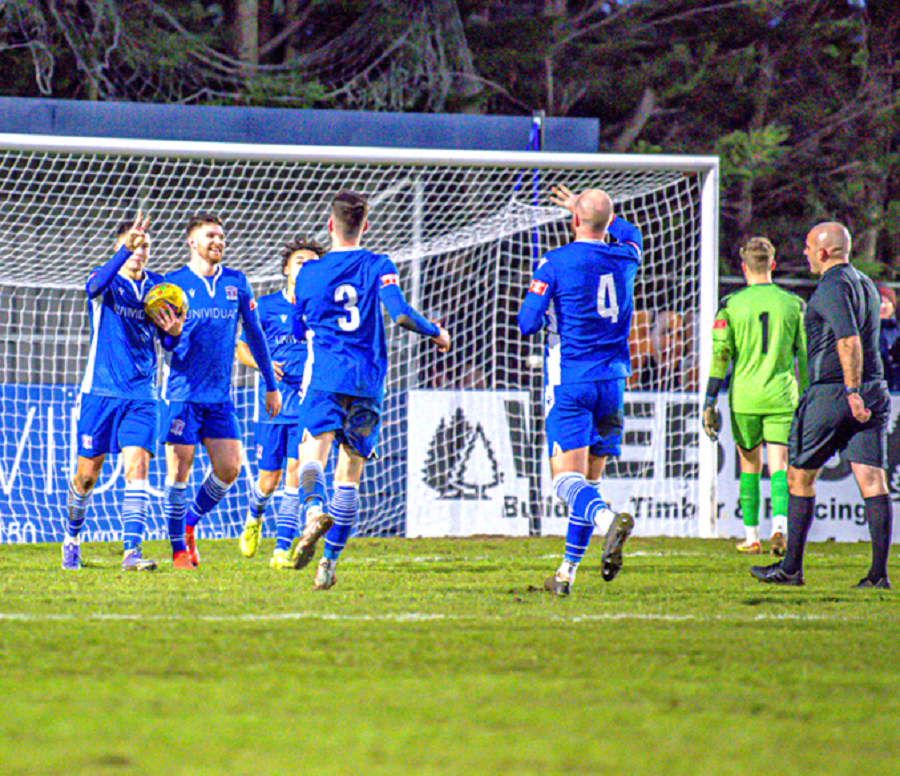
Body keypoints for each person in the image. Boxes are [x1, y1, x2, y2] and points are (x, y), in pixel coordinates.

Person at [289, 189, 450, 590]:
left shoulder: (310, 271)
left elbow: (296, 328)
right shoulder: (379, 264)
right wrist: (436, 332)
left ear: (330, 225)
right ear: (366, 225)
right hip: (368, 382)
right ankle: (327, 565)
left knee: (313, 453)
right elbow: (399, 315)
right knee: (349, 477)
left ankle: (312, 513)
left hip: (327, 377)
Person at [751, 222, 892, 588]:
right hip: (875, 390)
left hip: (836, 392)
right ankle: (878, 575)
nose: (804, 253)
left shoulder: (832, 286)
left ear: (824, 252)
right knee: (874, 480)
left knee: (799, 476)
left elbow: (848, 340)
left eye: (809, 246)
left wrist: (850, 390)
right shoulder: (866, 284)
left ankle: (790, 568)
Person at [518, 184, 641, 597]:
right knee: (588, 485)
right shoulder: (627, 255)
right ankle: (566, 573)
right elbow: (629, 232)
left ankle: (608, 523)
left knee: (564, 481)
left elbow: (526, 324)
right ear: (608, 223)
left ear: (573, 220)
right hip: (613, 383)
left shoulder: (554, 261)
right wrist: (589, 210)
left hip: (571, 379)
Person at [62, 213, 184, 571]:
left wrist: (174, 332)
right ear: (119, 247)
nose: (139, 250)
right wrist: (121, 253)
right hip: (99, 391)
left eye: (145, 245)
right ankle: (72, 538)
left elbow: (167, 341)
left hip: (142, 393)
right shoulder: (106, 281)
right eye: (133, 244)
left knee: (137, 468)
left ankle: (132, 552)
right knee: (87, 475)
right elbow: (91, 288)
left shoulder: (160, 288)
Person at [161, 214, 282, 569]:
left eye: (222, 236)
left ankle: (189, 524)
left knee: (229, 469)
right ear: (192, 242)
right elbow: (166, 343)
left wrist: (271, 385)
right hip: (182, 394)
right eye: (210, 235)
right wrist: (174, 332)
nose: (218, 241)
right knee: (178, 473)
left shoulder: (236, 282)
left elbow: (255, 334)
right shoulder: (173, 284)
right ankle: (179, 552)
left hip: (219, 397)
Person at [702, 237, 807, 556]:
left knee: (749, 464)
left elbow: (721, 354)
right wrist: (806, 396)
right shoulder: (793, 303)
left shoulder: (731, 305)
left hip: (745, 397)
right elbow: (803, 354)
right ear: (772, 265)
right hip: (782, 396)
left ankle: (752, 537)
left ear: (743, 267)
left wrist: (709, 400)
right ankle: (780, 528)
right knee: (780, 464)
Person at [235, 235, 327, 569]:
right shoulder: (267, 306)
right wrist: (261, 364)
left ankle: (281, 551)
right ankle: (254, 515)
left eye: (313, 263)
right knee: (268, 481)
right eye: (300, 261)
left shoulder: (322, 308)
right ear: (287, 268)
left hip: (307, 405)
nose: (306, 267)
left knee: (295, 473)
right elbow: (241, 346)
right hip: (273, 406)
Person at [876, 285, 900, 391]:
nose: (883, 306)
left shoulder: (897, 331)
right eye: (880, 302)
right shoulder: (865, 333)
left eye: (887, 302)